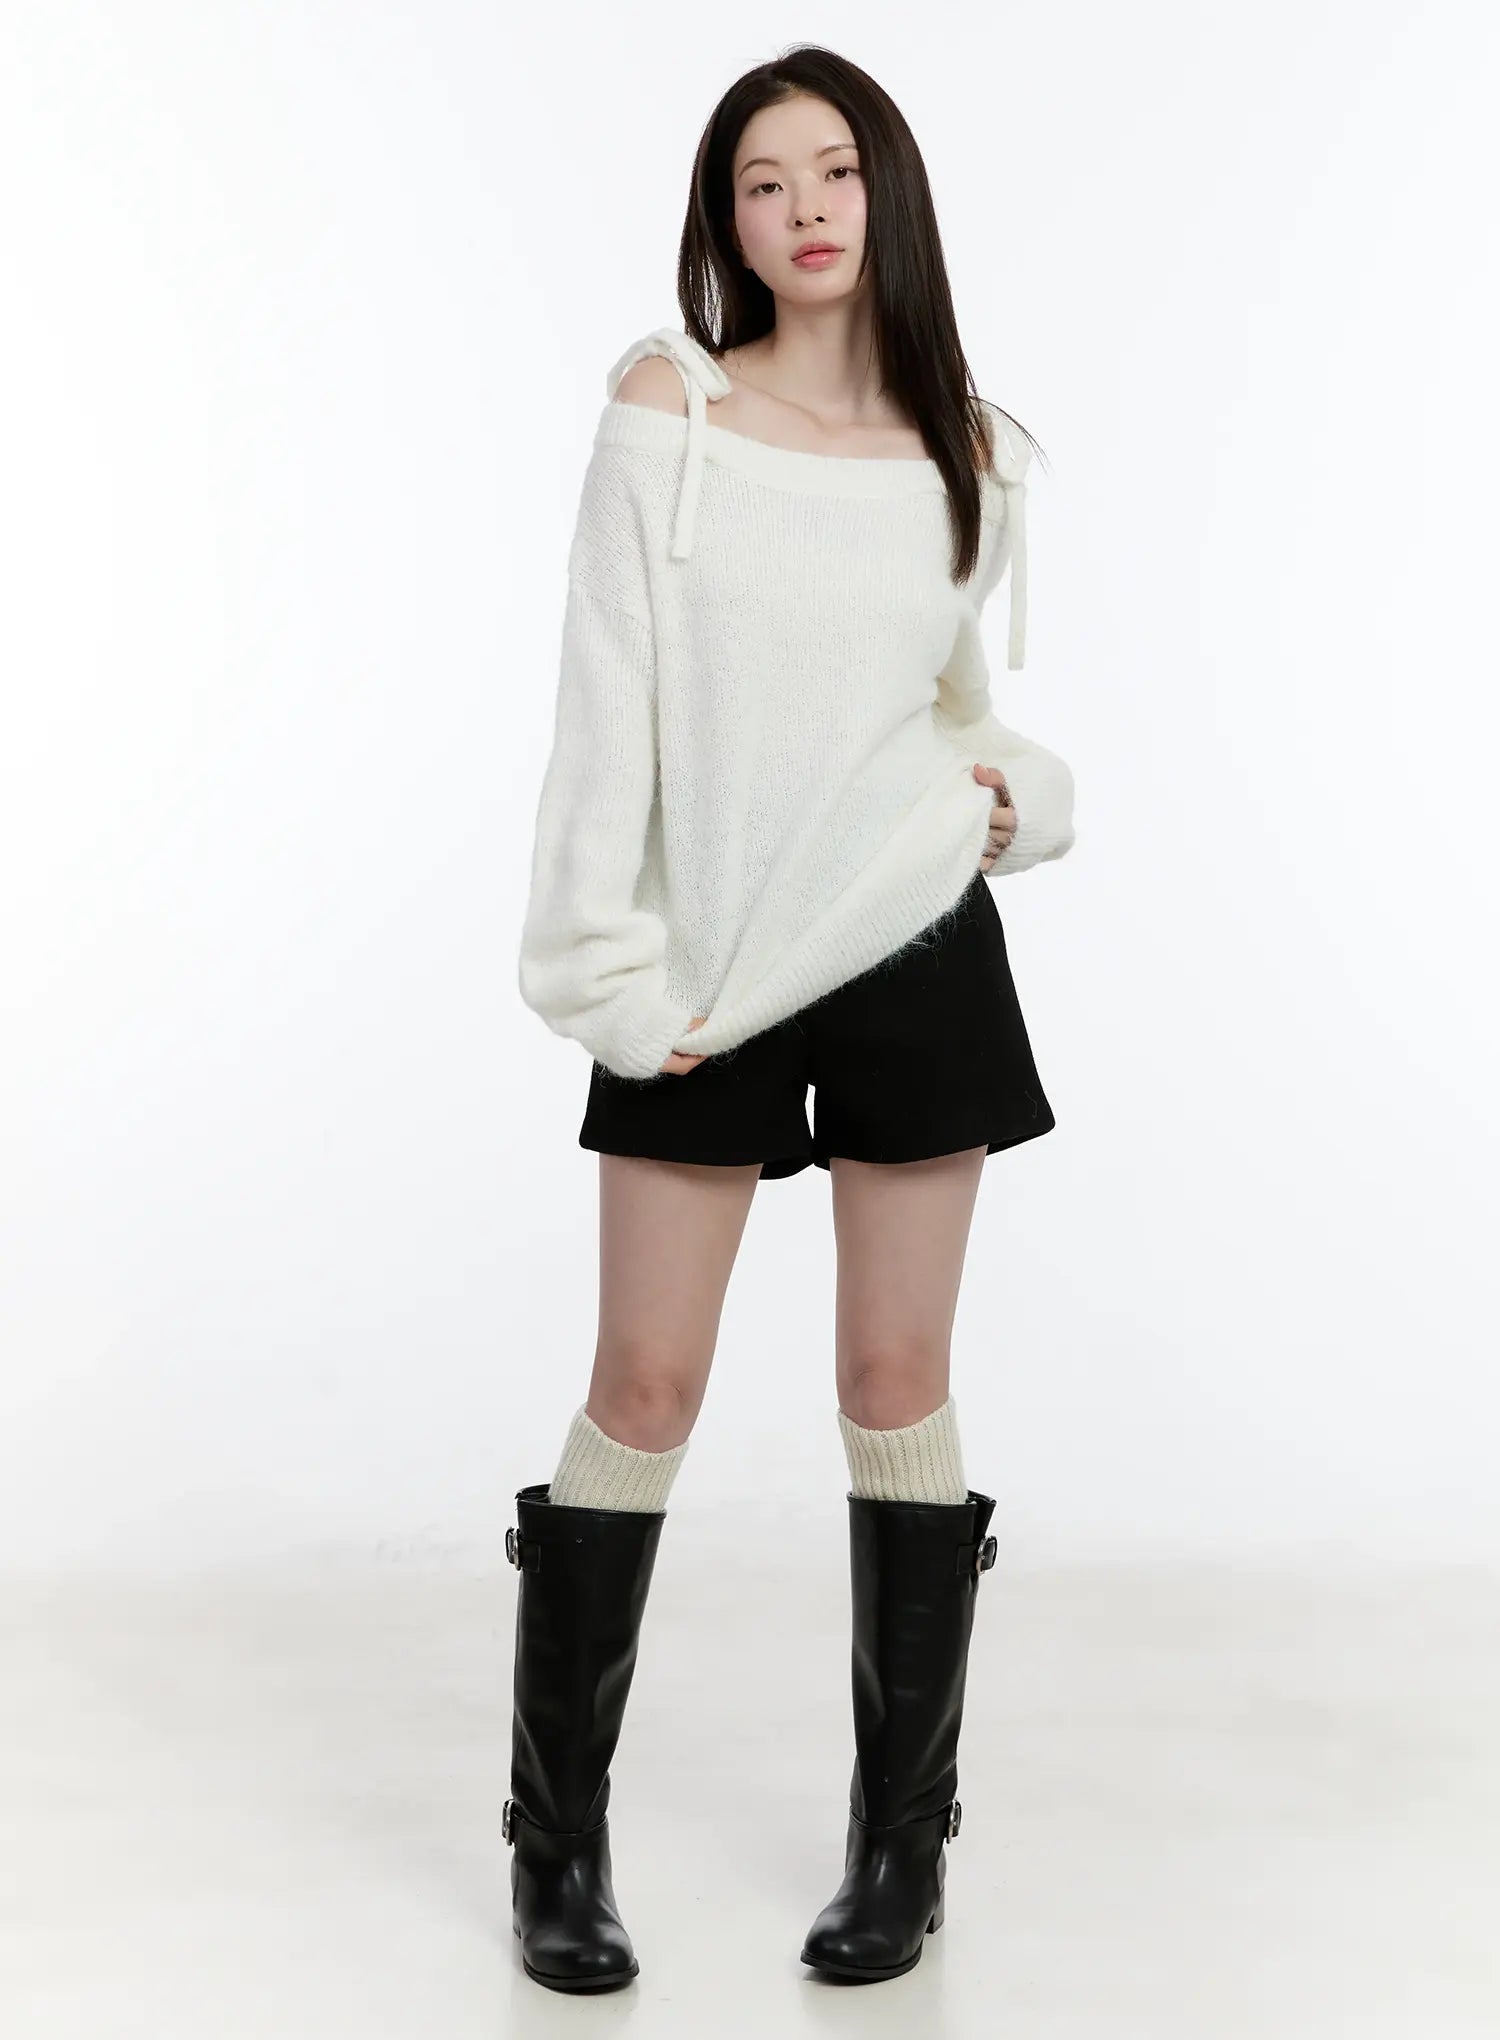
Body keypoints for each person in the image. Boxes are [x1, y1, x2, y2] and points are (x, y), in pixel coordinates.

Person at [504, 45, 1078, 1993]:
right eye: (765, 181)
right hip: (707, 963)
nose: (808, 207)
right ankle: (556, 1845)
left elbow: (951, 705)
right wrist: (604, 970)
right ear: (726, 221)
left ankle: (900, 1852)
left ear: (887, 192)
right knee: (645, 1382)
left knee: (894, 1379)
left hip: (913, 945)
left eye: (836, 171)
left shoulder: (966, 447)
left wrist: (1013, 795)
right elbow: (605, 714)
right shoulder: (667, 413)